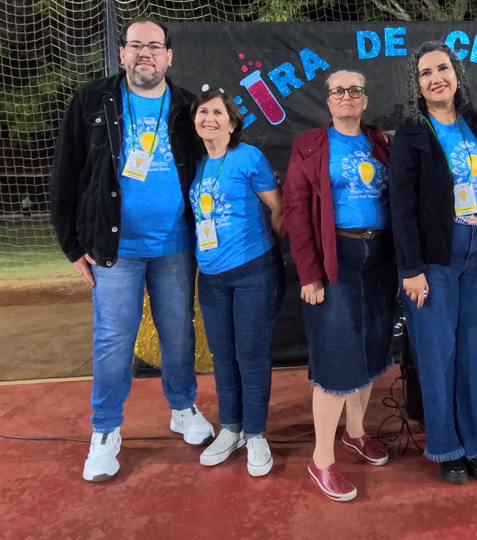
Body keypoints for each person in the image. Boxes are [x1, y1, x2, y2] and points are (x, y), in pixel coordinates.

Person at [50, 17, 213, 482]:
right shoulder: (91, 100)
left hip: (175, 246)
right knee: (112, 339)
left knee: (179, 335)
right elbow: (65, 174)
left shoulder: (186, 106)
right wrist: (72, 245)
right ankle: (105, 430)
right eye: (136, 45)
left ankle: (182, 408)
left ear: (168, 55)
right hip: (114, 249)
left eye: (154, 46)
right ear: (121, 53)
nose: (145, 53)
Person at [389, 42, 477, 484]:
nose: (436, 77)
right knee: (437, 356)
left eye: (443, 68)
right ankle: (447, 447)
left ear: (456, 75)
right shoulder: (411, 133)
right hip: (434, 257)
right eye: (425, 73)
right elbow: (401, 206)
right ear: (416, 85)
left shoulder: (475, 125)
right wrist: (410, 268)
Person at [284, 70, 395, 502]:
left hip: (381, 260)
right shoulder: (310, 145)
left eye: (354, 90)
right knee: (335, 360)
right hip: (336, 262)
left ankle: (355, 432)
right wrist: (310, 273)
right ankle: (322, 459)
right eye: (337, 91)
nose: (346, 96)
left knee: (370, 349)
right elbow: (295, 210)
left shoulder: (382, 143)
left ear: (365, 99)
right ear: (328, 100)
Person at [188, 88, 285, 475]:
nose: (208, 118)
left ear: (232, 123)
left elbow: (279, 207)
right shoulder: (193, 164)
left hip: (253, 274)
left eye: (217, 112)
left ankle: (257, 433)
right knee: (222, 356)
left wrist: (265, 250)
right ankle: (230, 429)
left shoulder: (248, 157)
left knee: (251, 355)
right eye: (202, 112)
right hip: (210, 278)